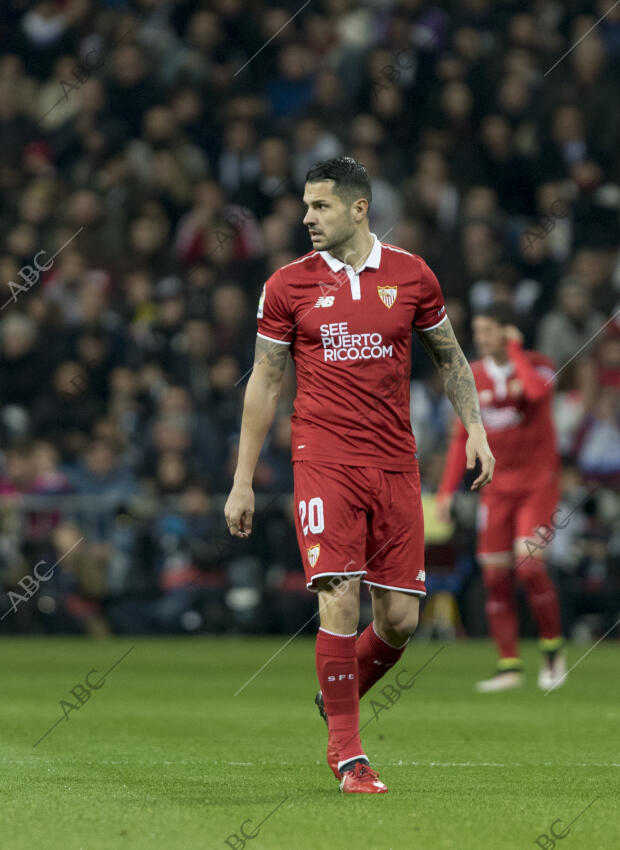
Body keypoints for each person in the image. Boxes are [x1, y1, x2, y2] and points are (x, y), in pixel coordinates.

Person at [225, 157, 494, 794]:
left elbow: (450, 358)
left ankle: (336, 695)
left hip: (395, 462)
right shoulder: (286, 286)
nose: (306, 218)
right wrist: (241, 479)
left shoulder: (412, 275)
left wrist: (476, 428)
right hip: (323, 460)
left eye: (319, 206)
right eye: (305, 206)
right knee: (337, 591)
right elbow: (264, 382)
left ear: (359, 209)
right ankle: (349, 755)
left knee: (400, 618)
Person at [437, 303, 566, 693]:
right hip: (496, 489)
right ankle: (509, 665)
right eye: (477, 330)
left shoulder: (538, 365)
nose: (481, 338)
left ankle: (552, 653)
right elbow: (463, 438)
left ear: (508, 332)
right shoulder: (472, 376)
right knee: (494, 576)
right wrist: (446, 490)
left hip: (538, 485)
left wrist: (513, 353)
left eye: (489, 330)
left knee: (528, 567)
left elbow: (534, 394)